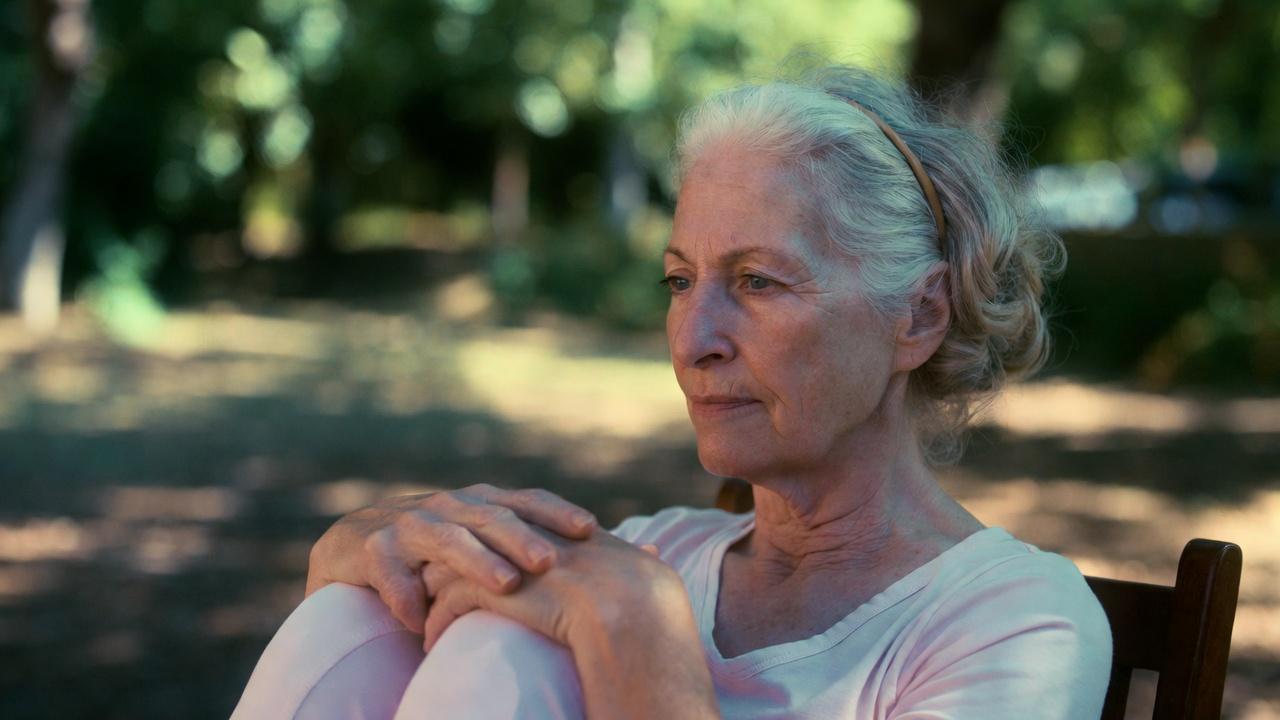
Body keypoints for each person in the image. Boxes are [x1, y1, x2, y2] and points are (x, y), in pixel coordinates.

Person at [233, 65, 1112, 719]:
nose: (694, 340)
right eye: (680, 281)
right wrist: (358, 548)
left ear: (918, 317)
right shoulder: (653, 552)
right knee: (351, 617)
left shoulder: (1014, 620)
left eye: (758, 282)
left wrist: (643, 636)